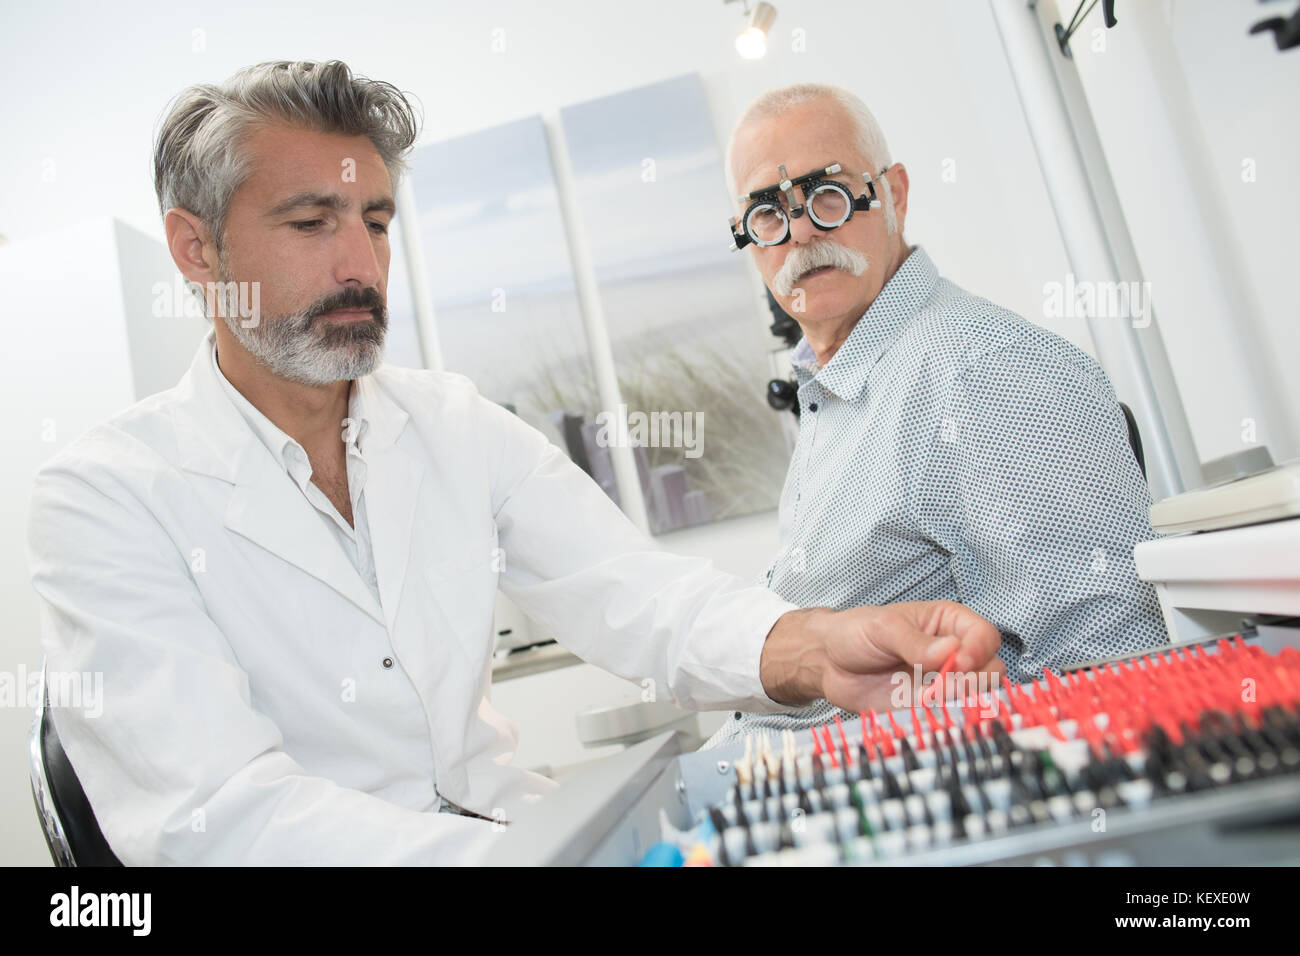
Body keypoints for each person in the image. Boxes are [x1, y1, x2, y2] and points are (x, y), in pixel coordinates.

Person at [25, 61, 1005, 865]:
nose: (360, 267)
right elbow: (223, 818)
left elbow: (636, 595)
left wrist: (815, 644)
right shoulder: (104, 498)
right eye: (311, 222)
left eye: (375, 224)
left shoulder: (448, 422)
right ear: (196, 251)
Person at [706, 83, 1165, 748]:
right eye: (768, 215)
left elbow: (1114, 667)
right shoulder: (838, 391)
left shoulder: (982, 369)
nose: (801, 231)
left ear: (894, 195)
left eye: (827, 195)